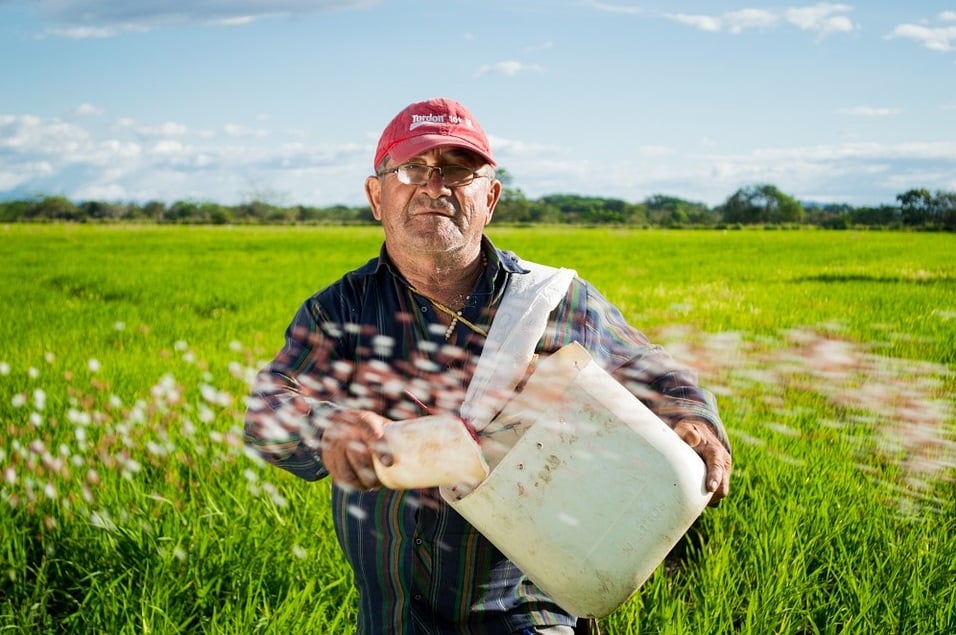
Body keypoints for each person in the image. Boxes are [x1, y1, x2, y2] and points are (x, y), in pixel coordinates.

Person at [244, 97, 732, 635]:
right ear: (376, 196)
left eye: (457, 170)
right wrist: (328, 427)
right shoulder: (341, 311)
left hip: (529, 611)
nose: (435, 185)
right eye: (411, 168)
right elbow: (267, 411)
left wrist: (695, 419)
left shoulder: (549, 300)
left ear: (490, 197)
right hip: (391, 617)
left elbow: (647, 366)